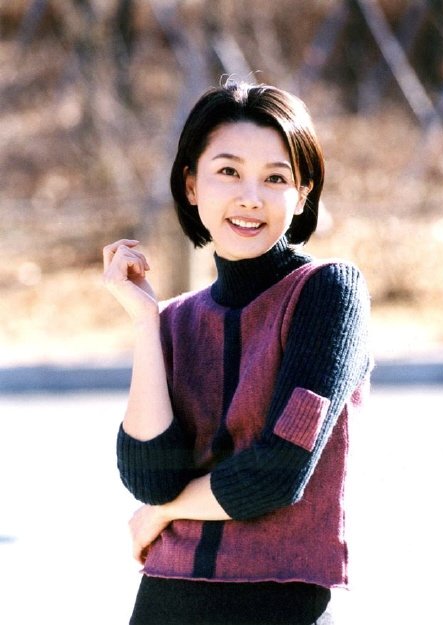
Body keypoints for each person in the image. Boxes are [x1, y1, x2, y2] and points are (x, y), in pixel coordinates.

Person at [103, 79, 371, 625]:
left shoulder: (328, 293)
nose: (251, 197)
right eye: (228, 171)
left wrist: (159, 515)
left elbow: (278, 470)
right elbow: (152, 477)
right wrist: (146, 323)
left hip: (282, 599)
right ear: (191, 184)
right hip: (165, 600)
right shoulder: (174, 320)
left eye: (275, 178)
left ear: (302, 195)